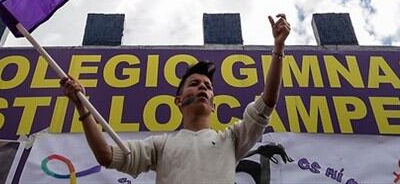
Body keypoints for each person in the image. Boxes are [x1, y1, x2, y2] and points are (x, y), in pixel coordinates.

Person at [61, 13, 291, 183]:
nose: (202, 88)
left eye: (207, 86)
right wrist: (82, 107)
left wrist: (278, 48)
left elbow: (267, 102)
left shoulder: (231, 140)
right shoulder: (160, 145)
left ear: (213, 105)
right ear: (178, 101)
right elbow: (107, 155)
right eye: (194, 84)